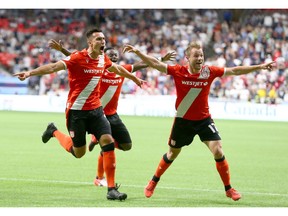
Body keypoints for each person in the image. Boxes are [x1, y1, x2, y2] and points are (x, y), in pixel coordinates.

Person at [123, 41, 275, 201]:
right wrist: (138, 52)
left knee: (218, 151)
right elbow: (154, 63)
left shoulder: (209, 72)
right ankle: (153, 181)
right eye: (196, 55)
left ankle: (229, 189)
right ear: (187, 58)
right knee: (172, 154)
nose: (200, 58)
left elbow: (235, 70)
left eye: (201, 55)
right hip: (183, 122)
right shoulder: (178, 71)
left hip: (204, 120)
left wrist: (259, 66)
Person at [13, 28, 145, 201]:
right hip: (77, 113)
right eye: (99, 39)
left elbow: (118, 69)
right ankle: (53, 131)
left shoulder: (103, 59)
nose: (103, 41)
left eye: (104, 39)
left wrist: (134, 78)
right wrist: (30, 73)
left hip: (97, 111)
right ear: (90, 42)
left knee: (108, 141)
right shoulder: (76, 58)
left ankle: (111, 189)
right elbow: (54, 67)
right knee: (79, 153)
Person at [48, 39, 176, 187]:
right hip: (96, 114)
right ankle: (99, 176)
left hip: (113, 115)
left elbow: (142, 64)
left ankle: (97, 141)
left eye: (116, 55)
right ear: (103, 56)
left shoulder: (121, 70)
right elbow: (77, 60)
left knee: (127, 145)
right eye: (111, 55)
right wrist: (62, 50)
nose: (114, 57)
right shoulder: (97, 69)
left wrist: (161, 60)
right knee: (102, 146)